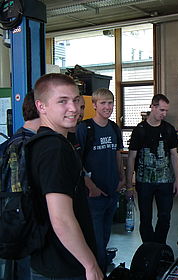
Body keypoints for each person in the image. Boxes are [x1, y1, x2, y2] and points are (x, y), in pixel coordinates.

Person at [30, 73, 102, 280]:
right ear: (41, 106)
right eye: (62, 101)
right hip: (63, 266)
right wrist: (90, 265)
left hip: (46, 261)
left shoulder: (42, 143)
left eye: (76, 100)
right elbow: (61, 218)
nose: (74, 108)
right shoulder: (54, 149)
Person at [76, 88, 125, 273]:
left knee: (104, 237)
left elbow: (117, 153)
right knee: (95, 241)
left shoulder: (114, 128)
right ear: (94, 105)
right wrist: (90, 185)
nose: (107, 107)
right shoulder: (84, 128)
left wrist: (122, 177)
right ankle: (97, 272)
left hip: (111, 192)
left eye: (110, 103)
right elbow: (76, 160)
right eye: (103, 103)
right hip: (93, 196)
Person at [126, 94, 178, 244]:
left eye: (166, 111)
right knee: (145, 218)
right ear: (153, 107)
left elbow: (174, 155)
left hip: (165, 182)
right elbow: (131, 157)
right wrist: (129, 185)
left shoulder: (169, 129)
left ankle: (160, 246)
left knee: (165, 216)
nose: (164, 114)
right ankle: (148, 247)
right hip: (144, 182)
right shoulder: (140, 130)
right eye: (162, 110)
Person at [1, 91, 40, 280]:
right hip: (27, 235)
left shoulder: (16, 141)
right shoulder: (26, 146)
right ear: (42, 107)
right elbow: (21, 198)